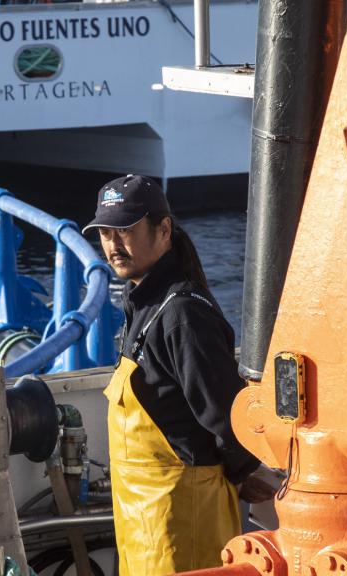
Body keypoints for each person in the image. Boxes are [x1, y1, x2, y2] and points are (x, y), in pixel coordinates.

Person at [83, 174, 274, 575]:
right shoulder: (144, 305)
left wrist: (240, 475)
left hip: (184, 523)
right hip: (145, 525)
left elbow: (229, 417)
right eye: (104, 232)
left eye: (126, 230)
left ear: (164, 229)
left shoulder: (182, 315)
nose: (113, 245)